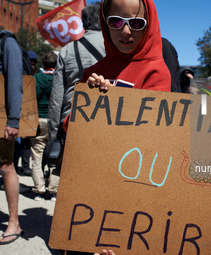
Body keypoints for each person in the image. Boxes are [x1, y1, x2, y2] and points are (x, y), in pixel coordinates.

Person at [61, 0, 170, 254]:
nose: (126, 31)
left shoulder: (157, 71)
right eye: (116, 22)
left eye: (136, 23)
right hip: (91, 195)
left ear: (149, 24)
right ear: (104, 22)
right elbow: (72, 130)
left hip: (134, 197)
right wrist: (91, 105)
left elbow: (158, 139)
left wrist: (117, 107)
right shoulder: (92, 73)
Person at [48, 2, 105, 144]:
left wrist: (54, 134)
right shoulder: (117, 49)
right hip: (107, 121)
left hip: (72, 122)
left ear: (83, 22)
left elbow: (56, 98)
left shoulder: (67, 50)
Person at [0, 29, 23, 244]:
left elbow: (15, 78)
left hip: (2, 119)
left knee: (6, 166)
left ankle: (14, 222)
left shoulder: (6, 42)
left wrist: (13, 120)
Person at [30, 51, 59, 201]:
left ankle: (39, 190)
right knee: (54, 156)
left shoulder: (36, 79)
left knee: (37, 156)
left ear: (43, 64)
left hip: (37, 121)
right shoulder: (59, 79)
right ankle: (53, 190)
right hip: (54, 120)